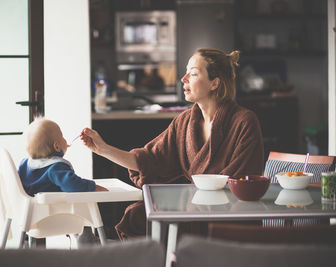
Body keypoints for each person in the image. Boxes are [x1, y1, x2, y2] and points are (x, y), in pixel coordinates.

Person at [81, 48, 264, 239]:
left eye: (193, 73)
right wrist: (103, 149)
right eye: (186, 72)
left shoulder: (244, 121)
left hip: (228, 214)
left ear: (214, 83)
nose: (183, 78)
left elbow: (240, 182)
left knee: (150, 219)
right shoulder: (185, 122)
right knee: (136, 215)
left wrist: (190, 202)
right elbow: (148, 159)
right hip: (194, 208)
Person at [18, 117, 107, 197]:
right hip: (54, 209)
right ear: (57, 147)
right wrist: (93, 187)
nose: (64, 139)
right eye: (62, 136)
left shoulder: (24, 164)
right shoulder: (56, 167)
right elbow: (73, 185)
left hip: (31, 208)